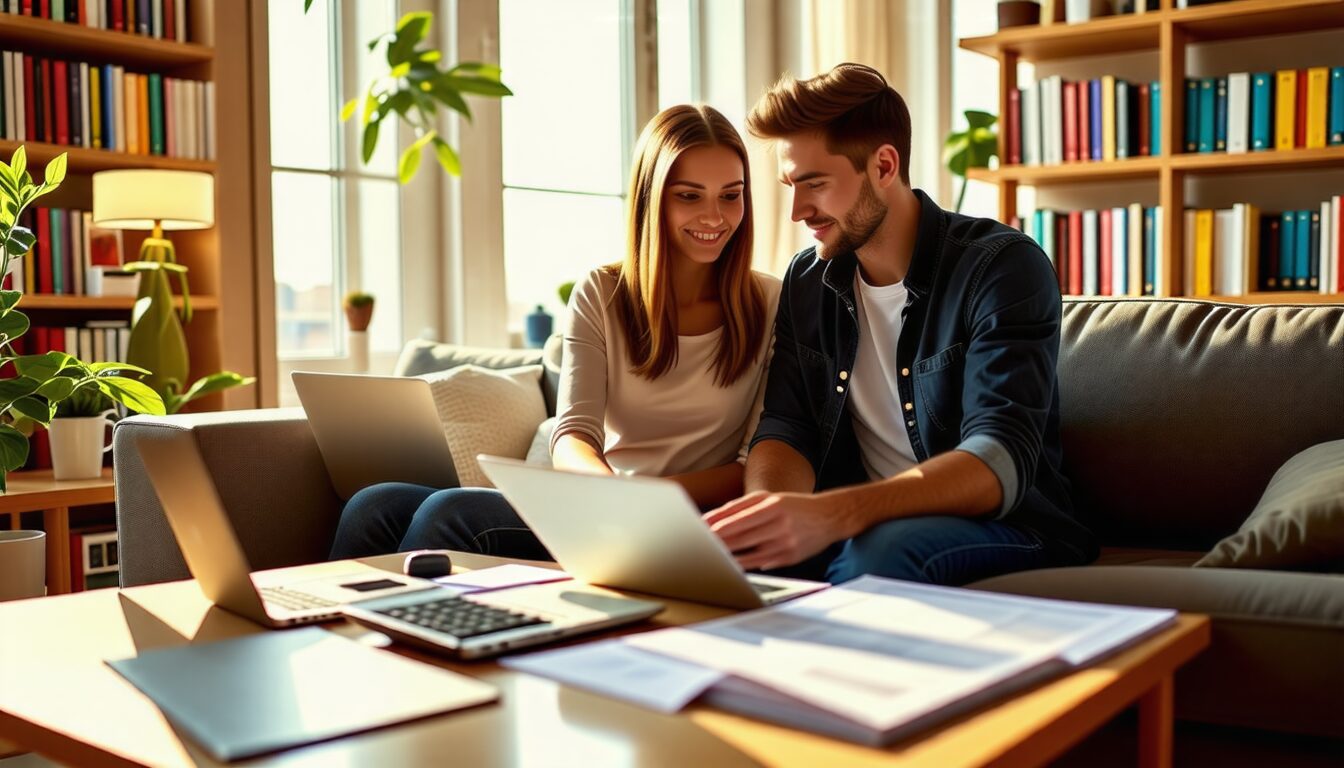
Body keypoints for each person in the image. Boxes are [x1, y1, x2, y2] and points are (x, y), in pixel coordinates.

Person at [329, 104, 780, 560]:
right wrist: (606, 495)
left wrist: (640, 499)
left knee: (450, 512)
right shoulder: (602, 291)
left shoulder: (770, 302)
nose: (714, 217)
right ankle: (323, 629)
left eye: (730, 195)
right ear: (652, 198)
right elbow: (575, 433)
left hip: (686, 516)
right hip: (599, 501)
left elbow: (753, 462)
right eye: (689, 196)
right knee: (375, 504)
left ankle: (406, 632)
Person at [703, 63, 1097, 586]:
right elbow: (787, 427)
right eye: (789, 186)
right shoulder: (808, 278)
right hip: (861, 521)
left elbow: (997, 457)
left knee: (879, 555)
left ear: (884, 166)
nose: (797, 210)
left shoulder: (1001, 267)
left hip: (1005, 525)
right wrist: (768, 516)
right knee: (715, 557)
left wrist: (835, 514)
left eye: (815, 184)